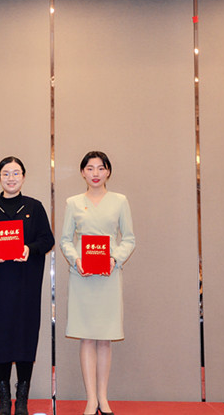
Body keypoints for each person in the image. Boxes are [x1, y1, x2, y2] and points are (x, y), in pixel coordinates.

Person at [0, 157, 54, 415]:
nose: (11, 178)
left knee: (25, 336)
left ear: (23, 177)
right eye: (6, 173)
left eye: (16, 173)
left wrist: (30, 248)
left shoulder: (34, 207)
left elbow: (47, 240)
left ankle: (23, 399)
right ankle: (4, 399)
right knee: (0, 336)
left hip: (26, 283)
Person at [60, 151, 135, 415]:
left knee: (105, 339)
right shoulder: (73, 203)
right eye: (90, 168)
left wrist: (115, 259)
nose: (95, 173)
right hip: (82, 276)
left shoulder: (120, 201)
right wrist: (75, 260)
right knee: (86, 337)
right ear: (82, 172)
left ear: (108, 171)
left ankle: (103, 397)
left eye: (100, 168)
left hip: (108, 276)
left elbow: (129, 238)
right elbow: (65, 240)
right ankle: (91, 399)